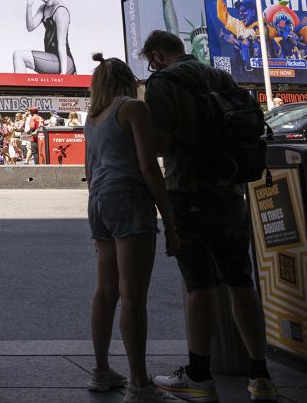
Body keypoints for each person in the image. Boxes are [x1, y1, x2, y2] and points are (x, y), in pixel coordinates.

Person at [140, 30, 279, 402]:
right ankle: (260, 374)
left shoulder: (162, 82)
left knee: (198, 284)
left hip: (189, 191)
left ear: (156, 56)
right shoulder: (218, 75)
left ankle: (199, 375)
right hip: (231, 190)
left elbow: (163, 143)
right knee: (240, 280)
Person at [83, 53, 180, 402]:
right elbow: (149, 168)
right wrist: (169, 222)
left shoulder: (91, 118)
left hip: (99, 203)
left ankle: (101, 370)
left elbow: (91, 172)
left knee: (105, 291)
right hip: (128, 199)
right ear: (128, 81)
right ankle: (139, 383)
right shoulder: (133, 109)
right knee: (134, 295)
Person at [14, 0, 76, 76]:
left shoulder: (61, 11)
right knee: (18, 56)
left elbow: (62, 43)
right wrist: (29, 6)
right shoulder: (43, 8)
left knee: (18, 55)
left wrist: (63, 74)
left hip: (63, 62)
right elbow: (30, 27)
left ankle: (18, 92)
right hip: (51, 59)